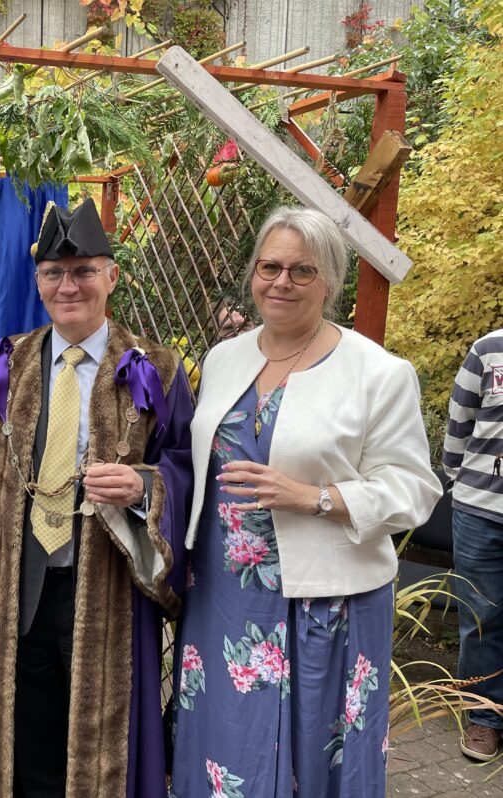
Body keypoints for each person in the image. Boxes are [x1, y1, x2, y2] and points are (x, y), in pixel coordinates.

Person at [169, 207, 441, 796]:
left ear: (330, 281)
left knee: (313, 758)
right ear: (253, 273)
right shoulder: (224, 359)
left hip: (325, 601)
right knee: (226, 742)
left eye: (301, 270)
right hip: (225, 595)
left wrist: (316, 497)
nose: (281, 281)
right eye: (270, 266)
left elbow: (415, 489)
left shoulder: (379, 373)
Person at [0, 198, 194, 797]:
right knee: (23, 737)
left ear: (111, 277)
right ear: (38, 281)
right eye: (53, 273)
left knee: (100, 737)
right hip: (17, 590)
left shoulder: (155, 369)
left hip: (107, 592)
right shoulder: (3, 366)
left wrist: (143, 486)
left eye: (82, 272)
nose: (67, 286)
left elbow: (186, 470)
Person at [443, 327, 503, 761]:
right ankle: (485, 718)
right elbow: (459, 425)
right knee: (483, 620)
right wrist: (460, 481)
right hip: (482, 510)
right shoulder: (488, 349)